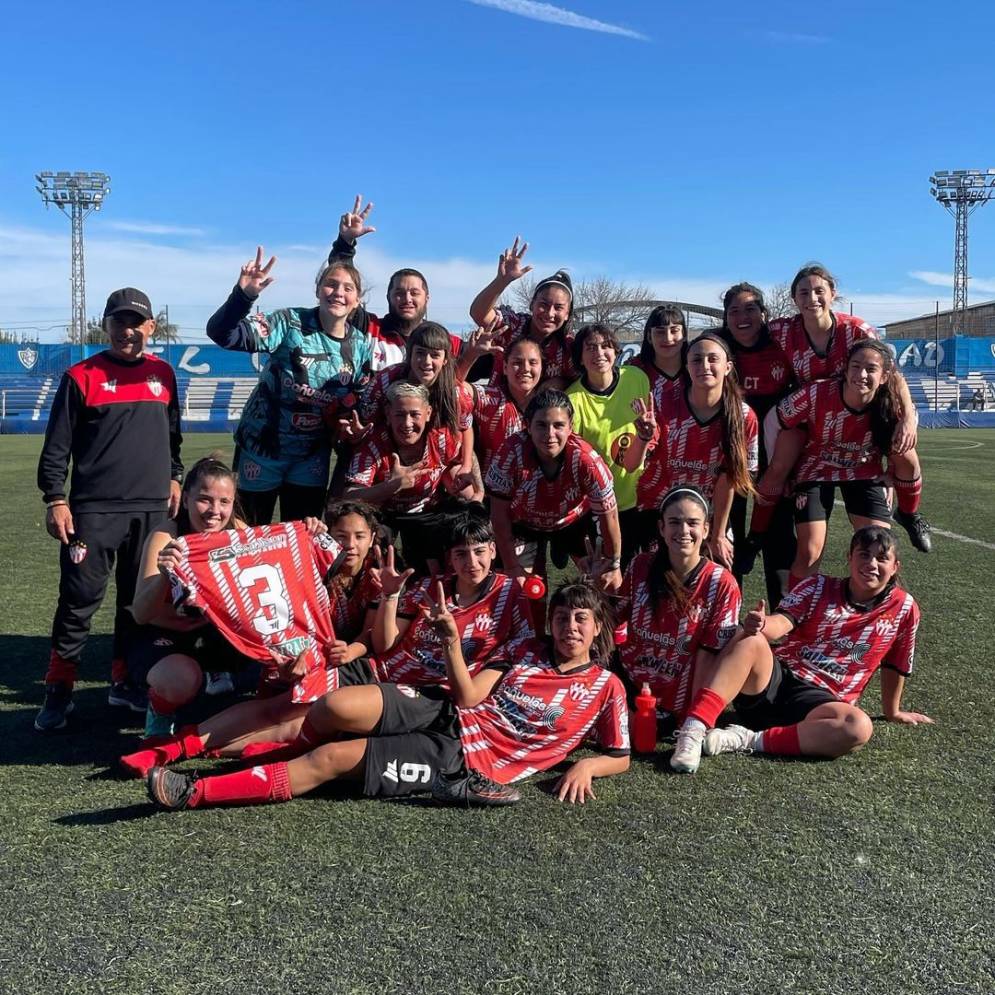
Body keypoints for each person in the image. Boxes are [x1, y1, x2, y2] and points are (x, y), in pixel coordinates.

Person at [145, 582, 630, 810]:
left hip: (461, 758)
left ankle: (197, 792)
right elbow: (467, 697)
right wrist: (450, 645)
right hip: (445, 709)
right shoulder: (525, 649)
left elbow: (622, 755)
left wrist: (586, 764)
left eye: (580, 619)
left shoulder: (607, 687)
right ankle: (240, 753)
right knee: (335, 706)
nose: (569, 626)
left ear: (598, 628)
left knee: (333, 758)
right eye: (563, 617)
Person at [117, 506, 381, 778]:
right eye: (340, 536)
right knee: (278, 708)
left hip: (356, 667)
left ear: (372, 538)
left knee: (300, 717)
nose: (350, 545)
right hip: (305, 658)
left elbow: (379, 640)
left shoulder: (380, 574)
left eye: (360, 536)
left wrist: (354, 648)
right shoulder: (314, 555)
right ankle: (174, 747)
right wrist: (309, 533)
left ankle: (192, 748)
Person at [35, 287, 183, 732]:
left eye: (137, 323)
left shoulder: (165, 374)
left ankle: (125, 682)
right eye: (119, 322)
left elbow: (173, 435)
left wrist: (175, 476)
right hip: (93, 512)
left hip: (153, 510)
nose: (128, 331)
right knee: (78, 603)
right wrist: (55, 499)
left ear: (151, 328)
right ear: (107, 325)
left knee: (137, 604)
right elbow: (56, 447)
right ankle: (58, 691)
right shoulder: (81, 376)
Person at [669, 526, 932, 774]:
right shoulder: (818, 586)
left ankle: (745, 739)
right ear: (849, 557)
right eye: (864, 554)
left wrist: (892, 711)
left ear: (895, 566)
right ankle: (693, 731)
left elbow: (896, 663)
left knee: (858, 727)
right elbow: (781, 622)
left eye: (882, 558)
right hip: (777, 681)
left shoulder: (905, 609)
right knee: (748, 638)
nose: (871, 564)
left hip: (821, 704)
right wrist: (761, 624)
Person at [758, 263, 929, 553]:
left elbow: (891, 373)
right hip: (811, 416)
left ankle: (910, 514)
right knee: (779, 468)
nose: (812, 298)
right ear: (794, 299)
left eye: (819, 290)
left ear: (833, 293)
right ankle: (756, 537)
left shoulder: (856, 329)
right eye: (804, 292)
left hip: (863, 417)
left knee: (905, 454)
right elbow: (743, 334)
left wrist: (909, 417)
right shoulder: (783, 331)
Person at [206, 248, 375, 525]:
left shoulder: (361, 347)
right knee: (247, 536)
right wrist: (243, 296)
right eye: (330, 284)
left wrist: (349, 427)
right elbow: (222, 333)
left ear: (357, 300)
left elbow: (355, 404)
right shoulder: (288, 323)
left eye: (347, 288)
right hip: (261, 450)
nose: (337, 292)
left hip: (310, 458)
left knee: (302, 538)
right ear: (318, 290)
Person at [769, 339, 928, 589]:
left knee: (878, 548)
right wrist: (779, 470)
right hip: (816, 470)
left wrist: (892, 472)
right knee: (810, 551)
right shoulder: (816, 393)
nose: (861, 375)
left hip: (864, 471)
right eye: (855, 366)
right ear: (845, 368)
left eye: (871, 369)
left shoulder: (893, 402)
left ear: (885, 376)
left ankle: (876, 616)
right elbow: (776, 421)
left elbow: (902, 435)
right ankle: (796, 617)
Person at [129, 456, 255, 737]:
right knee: (181, 679)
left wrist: (311, 531)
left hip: (215, 637)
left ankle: (225, 691)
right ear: (185, 499)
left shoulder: (238, 532)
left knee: (279, 658)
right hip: (164, 637)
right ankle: (160, 714)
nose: (215, 511)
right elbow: (140, 613)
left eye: (225, 502)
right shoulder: (167, 535)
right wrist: (164, 574)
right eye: (205, 499)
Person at [613, 487, 741, 732]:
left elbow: (711, 655)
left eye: (692, 523)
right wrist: (598, 585)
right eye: (674, 522)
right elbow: (615, 620)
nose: (683, 531)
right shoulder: (641, 565)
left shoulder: (722, 583)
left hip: (681, 693)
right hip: (632, 681)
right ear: (661, 528)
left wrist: (690, 718)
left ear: (706, 529)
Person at [635, 332, 758, 568]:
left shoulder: (744, 417)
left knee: (715, 578)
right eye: (696, 359)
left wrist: (718, 534)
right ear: (687, 366)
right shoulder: (661, 402)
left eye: (713, 359)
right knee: (658, 582)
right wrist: (643, 436)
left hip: (705, 513)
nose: (704, 366)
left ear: (728, 366)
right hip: (656, 508)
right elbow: (638, 461)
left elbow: (728, 479)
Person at [486, 389, 623, 592]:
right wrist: (512, 566)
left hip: (573, 522)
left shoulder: (587, 460)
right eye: (541, 425)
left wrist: (613, 564)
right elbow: (498, 515)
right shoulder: (510, 454)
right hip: (523, 524)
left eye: (558, 425)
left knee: (607, 583)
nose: (550, 434)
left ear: (571, 427)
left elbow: (609, 515)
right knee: (520, 591)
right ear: (527, 426)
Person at [344, 381, 480, 572]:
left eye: (415, 414)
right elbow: (348, 495)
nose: (407, 424)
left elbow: (467, 456)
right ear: (388, 414)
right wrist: (391, 486)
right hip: (383, 513)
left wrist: (478, 493)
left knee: (470, 509)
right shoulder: (373, 444)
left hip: (426, 510)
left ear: (428, 413)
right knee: (376, 555)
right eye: (400, 414)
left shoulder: (440, 438)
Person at [718, 283, 797, 603]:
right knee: (727, 531)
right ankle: (725, 618)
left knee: (780, 537)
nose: (742, 317)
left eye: (750, 308)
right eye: (734, 311)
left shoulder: (782, 344)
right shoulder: (716, 346)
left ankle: (781, 619)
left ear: (764, 314)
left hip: (776, 454)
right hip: (731, 453)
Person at [325, 195, 463, 368]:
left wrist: (503, 280)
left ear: (427, 298)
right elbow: (341, 281)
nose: (407, 299)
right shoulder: (368, 328)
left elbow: (499, 364)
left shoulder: (447, 342)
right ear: (388, 297)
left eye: (414, 293)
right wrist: (345, 243)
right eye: (399, 293)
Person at [566, 323, 656, 568]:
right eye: (590, 348)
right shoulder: (573, 400)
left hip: (640, 500)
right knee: (606, 578)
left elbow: (651, 429)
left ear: (616, 351)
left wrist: (648, 435)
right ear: (580, 358)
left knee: (640, 576)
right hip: (600, 507)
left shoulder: (636, 378)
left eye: (605, 346)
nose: (599, 353)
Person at [459, 237, 576, 389]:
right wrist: (502, 281)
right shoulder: (515, 325)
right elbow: (479, 314)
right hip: (498, 406)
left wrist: (557, 384)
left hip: (541, 411)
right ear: (532, 304)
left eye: (558, 307)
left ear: (567, 314)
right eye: (543, 305)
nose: (549, 313)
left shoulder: (569, 347)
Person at [463, 335, 544, 480]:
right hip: (493, 493)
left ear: (541, 367)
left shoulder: (551, 404)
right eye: (517, 362)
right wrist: (470, 355)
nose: (525, 369)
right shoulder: (491, 398)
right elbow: (453, 387)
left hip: (537, 493)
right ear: (505, 368)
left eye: (533, 362)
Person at [625, 305, 687, 413]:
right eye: (660, 332)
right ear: (649, 336)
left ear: (684, 335)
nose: (668, 338)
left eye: (674, 331)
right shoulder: (633, 371)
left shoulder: (697, 368)